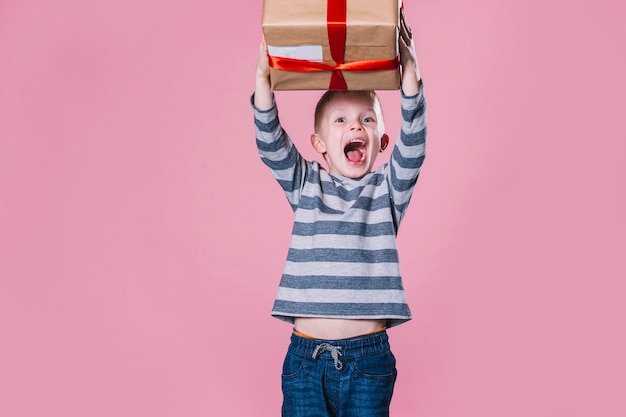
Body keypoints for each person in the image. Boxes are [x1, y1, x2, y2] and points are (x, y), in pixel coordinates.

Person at [251, 10, 426, 417]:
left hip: (368, 361)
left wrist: (410, 73)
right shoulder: (306, 183)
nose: (356, 127)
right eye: (342, 120)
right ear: (320, 142)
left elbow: (414, 146)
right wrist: (263, 83)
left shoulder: (386, 190)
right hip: (304, 359)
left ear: (382, 140)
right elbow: (270, 146)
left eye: (367, 119)